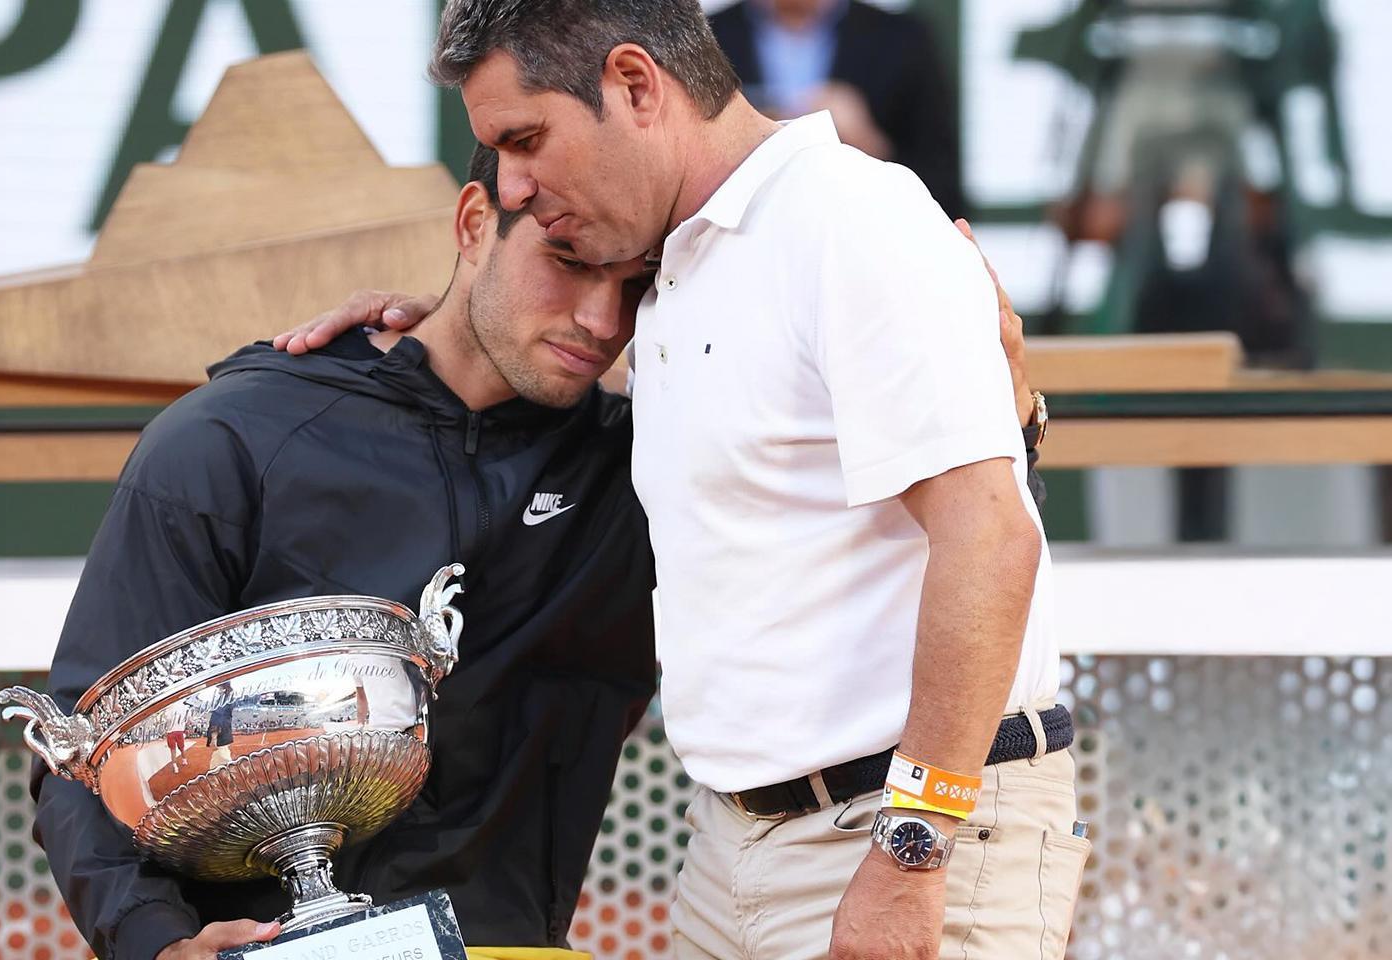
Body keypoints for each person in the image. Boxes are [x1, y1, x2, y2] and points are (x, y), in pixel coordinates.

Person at [291, 3, 1081, 958]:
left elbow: (993, 539)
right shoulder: (676, 262)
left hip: (902, 834)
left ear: (635, 85)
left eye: (526, 138)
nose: (512, 182)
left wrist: (911, 852)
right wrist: (453, 325)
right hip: (732, 849)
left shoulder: (851, 219)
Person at [32, 147, 660, 960]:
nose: (603, 322)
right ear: (475, 224)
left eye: (638, 284)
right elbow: (87, 749)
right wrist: (153, 941)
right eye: (568, 261)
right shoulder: (231, 441)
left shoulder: (643, 470)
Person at [708, 0, 965, 219]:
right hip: (744, 246)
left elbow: (945, 193)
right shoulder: (709, 39)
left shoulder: (904, 40)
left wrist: (869, 144)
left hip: (864, 245)